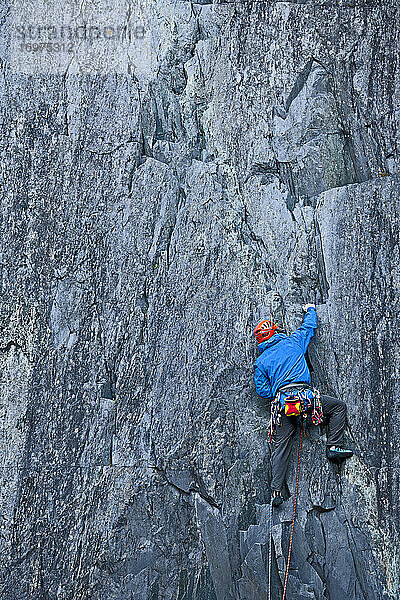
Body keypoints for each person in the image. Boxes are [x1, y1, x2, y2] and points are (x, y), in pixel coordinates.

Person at [253, 303, 353, 507]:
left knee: (281, 447)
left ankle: (276, 492)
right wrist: (310, 309)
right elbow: (309, 328)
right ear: (275, 331)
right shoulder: (293, 342)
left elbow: (262, 391)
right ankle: (334, 446)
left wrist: (280, 394)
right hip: (306, 400)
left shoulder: (261, 361)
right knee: (337, 407)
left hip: (282, 406)